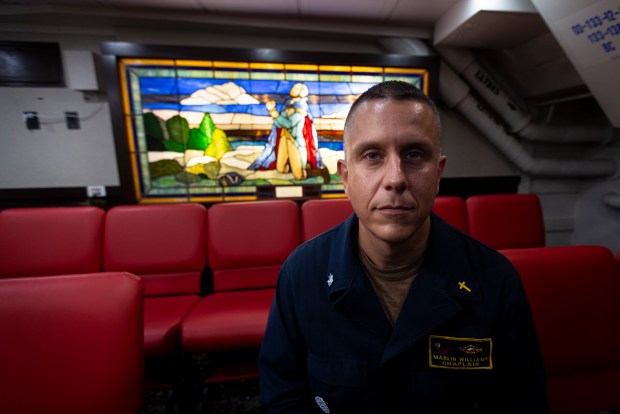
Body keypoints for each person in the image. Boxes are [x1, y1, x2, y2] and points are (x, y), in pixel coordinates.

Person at [258, 80, 548, 413]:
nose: (395, 178)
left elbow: (522, 403)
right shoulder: (302, 274)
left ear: (438, 175)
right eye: (372, 155)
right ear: (345, 177)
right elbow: (283, 398)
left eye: (414, 154)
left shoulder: (496, 281)